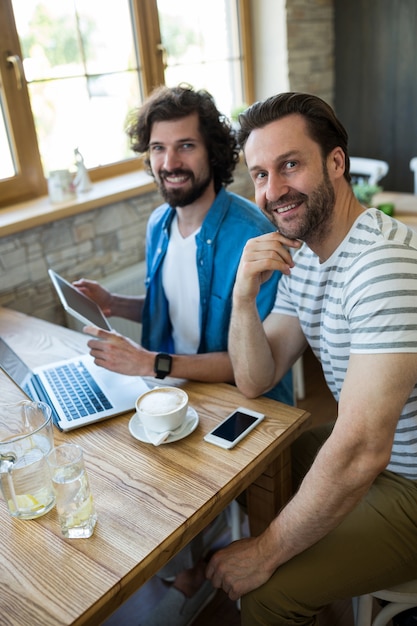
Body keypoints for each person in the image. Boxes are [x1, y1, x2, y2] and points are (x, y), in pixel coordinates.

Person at [73, 85, 293, 625]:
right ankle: (194, 558)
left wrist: (150, 363)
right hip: (178, 389)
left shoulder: (252, 236)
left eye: (185, 146)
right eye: (157, 148)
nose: (169, 162)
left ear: (213, 152)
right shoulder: (160, 224)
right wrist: (115, 302)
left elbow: (252, 369)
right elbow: (174, 300)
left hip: (247, 406)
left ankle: (208, 564)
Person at [206, 92, 417, 625]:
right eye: (259, 174)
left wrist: (266, 552)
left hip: (411, 481)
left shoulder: (381, 266)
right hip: (383, 458)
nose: (273, 191)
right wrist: (243, 297)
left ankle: (301, 586)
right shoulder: (311, 257)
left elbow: (363, 448)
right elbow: (257, 377)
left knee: (266, 594)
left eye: (290, 165)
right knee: (257, 468)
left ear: (336, 162)